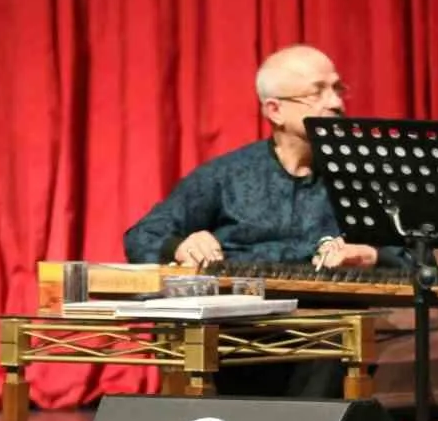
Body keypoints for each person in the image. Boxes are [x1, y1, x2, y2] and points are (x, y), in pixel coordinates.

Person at [122, 43, 407, 396]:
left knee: (336, 337)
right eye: (318, 92)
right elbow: (142, 235)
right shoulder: (228, 175)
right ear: (275, 110)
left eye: (338, 89)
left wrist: (370, 255)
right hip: (237, 334)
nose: (336, 103)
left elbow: (420, 261)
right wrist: (181, 245)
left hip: (327, 336)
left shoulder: (362, 180)